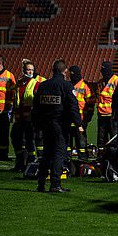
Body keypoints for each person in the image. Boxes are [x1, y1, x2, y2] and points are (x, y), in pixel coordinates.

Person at [32, 59, 83, 193]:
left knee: (46, 153)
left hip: (45, 124)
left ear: (52, 70)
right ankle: (55, 183)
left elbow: (36, 107)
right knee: (59, 153)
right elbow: (73, 106)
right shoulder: (66, 86)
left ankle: (41, 183)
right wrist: (79, 124)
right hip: (60, 125)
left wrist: (36, 124)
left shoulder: (43, 85)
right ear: (65, 71)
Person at [11, 59, 45, 172]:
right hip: (19, 119)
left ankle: (29, 163)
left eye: (32, 70)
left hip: (30, 119)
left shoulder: (36, 84)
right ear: (23, 70)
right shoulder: (19, 83)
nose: (30, 72)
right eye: (28, 69)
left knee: (29, 142)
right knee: (16, 139)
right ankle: (20, 162)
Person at [68, 65, 93, 159]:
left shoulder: (85, 85)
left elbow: (90, 103)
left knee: (81, 142)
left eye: (72, 73)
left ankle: (82, 159)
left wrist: (88, 117)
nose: (71, 75)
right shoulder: (68, 85)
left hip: (81, 119)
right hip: (69, 119)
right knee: (68, 143)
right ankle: (68, 162)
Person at [95, 61, 118, 152]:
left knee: (113, 138)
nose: (101, 71)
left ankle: (114, 155)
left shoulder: (116, 80)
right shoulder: (100, 82)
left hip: (112, 115)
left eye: (103, 68)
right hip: (101, 114)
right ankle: (102, 155)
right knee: (101, 138)